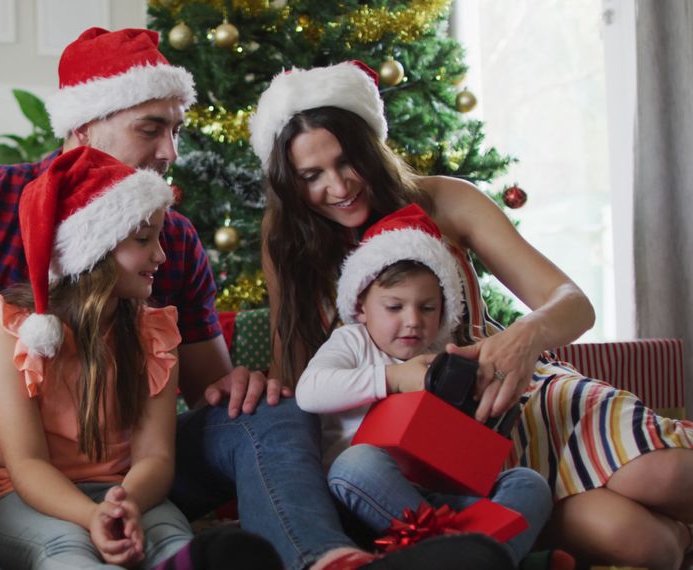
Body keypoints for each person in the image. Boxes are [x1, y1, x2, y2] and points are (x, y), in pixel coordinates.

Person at [0, 28, 482, 570]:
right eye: (150, 128)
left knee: (273, 408)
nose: (170, 152)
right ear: (82, 128)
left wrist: (240, 388)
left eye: (176, 131)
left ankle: (321, 559)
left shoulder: (172, 240)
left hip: (123, 463)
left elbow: (207, 384)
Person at [251, 60, 693, 569]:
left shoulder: (447, 200)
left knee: (660, 476)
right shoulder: (286, 240)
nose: (339, 185)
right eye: (312, 175)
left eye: (347, 161)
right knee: (645, 544)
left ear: (372, 149)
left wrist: (525, 339)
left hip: (523, 392)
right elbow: (294, 372)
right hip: (445, 445)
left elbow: (573, 302)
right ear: (291, 182)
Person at [0, 146, 281, 569]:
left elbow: (155, 456)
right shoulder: (12, 333)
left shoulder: (153, 333)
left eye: (158, 237)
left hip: (125, 492)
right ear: (92, 250)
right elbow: (26, 465)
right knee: (68, 553)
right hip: (27, 499)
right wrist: (92, 516)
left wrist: (124, 505)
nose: (161, 256)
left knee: (169, 540)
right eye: (142, 240)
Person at [296, 204, 552, 565]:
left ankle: (471, 558)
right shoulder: (352, 341)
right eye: (395, 307)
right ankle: (476, 557)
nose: (413, 320)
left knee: (528, 483)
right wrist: (394, 378)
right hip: (372, 499)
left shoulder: (445, 358)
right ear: (361, 307)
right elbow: (310, 391)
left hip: (441, 499)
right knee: (355, 462)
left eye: (428, 308)